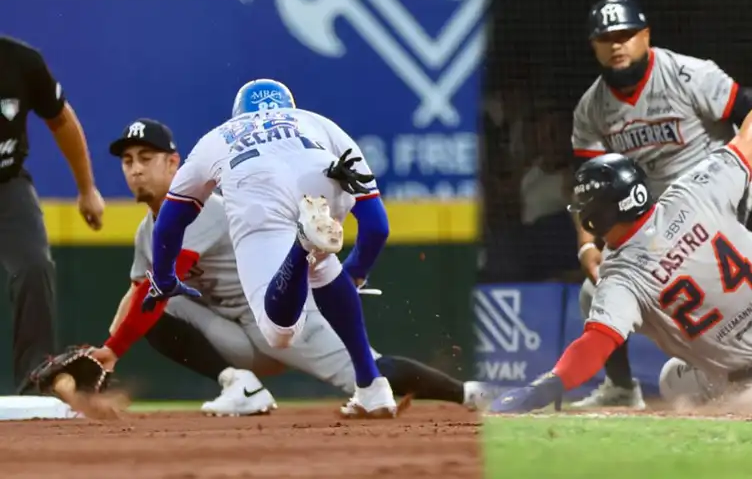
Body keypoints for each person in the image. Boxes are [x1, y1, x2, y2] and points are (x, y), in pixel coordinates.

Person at [491, 23, 752, 415]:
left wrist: (543, 389)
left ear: (596, 220)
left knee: (672, 379)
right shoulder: (694, 190)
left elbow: (594, 345)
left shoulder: (621, 279)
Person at [87, 117, 494, 415]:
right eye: (127, 160)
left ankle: (468, 393)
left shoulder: (206, 210)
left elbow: (154, 289)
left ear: (174, 163)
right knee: (157, 299)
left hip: (286, 310)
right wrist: (107, 348)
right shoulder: (147, 231)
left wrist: (113, 350)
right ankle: (238, 383)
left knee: (370, 369)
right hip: (234, 335)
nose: (135, 168)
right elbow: (138, 291)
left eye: (146, 158)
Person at [567, 0, 752, 409]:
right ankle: (621, 388)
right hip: (653, 214)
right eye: (606, 38)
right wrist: (587, 245)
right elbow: (586, 184)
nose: (617, 45)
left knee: (703, 274)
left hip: (714, 189)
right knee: (592, 292)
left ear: (646, 35)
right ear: (593, 46)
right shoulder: (590, 108)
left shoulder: (689, 74)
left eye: (626, 34)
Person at [137, 79, 404, 418]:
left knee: (279, 333)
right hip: (324, 182)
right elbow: (377, 226)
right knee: (323, 269)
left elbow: (170, 220)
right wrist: (356, 273)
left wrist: (163, 276)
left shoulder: (219, 137)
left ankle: (302, 244)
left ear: (238, 114)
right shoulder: (316, 122)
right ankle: (372, 388)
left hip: (259, 193)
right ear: (288, 107)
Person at [0, 36, 105, 393]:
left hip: (6, 184)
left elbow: (61, 121)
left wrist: (87, 189)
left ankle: (35, 377)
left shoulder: (21, 61)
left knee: (34, 266)